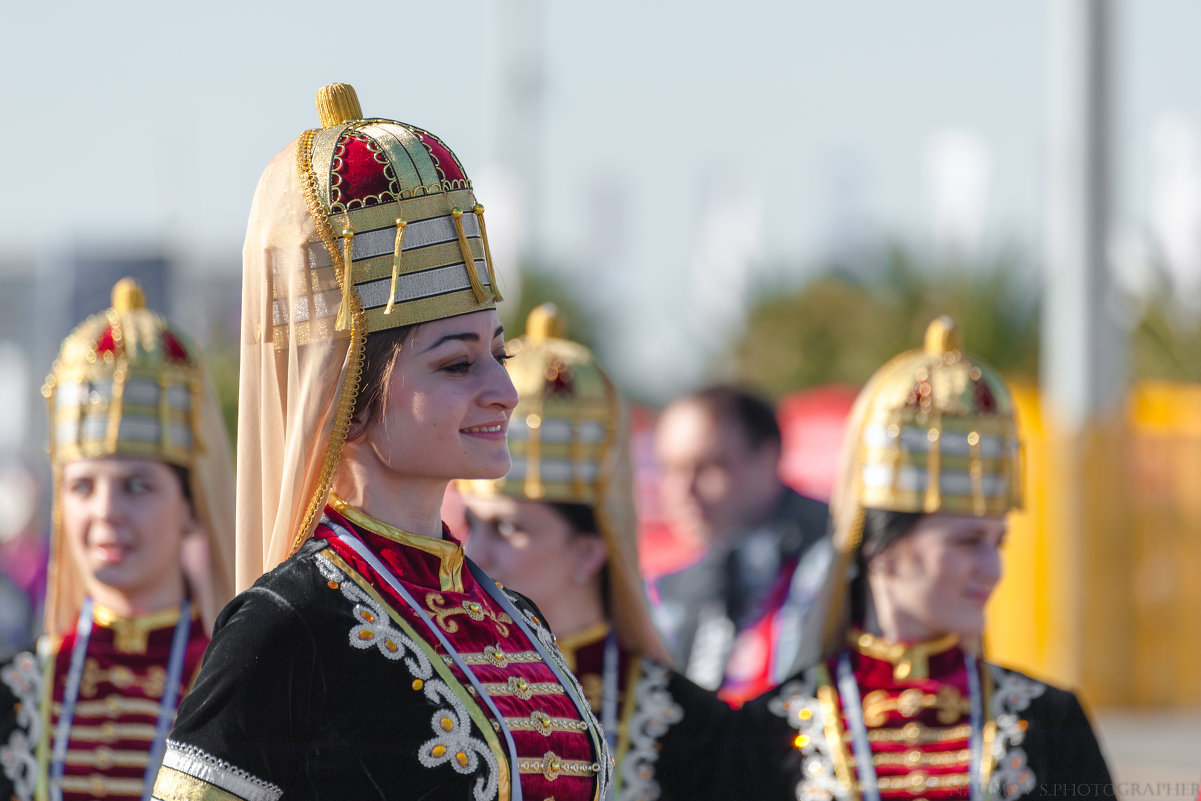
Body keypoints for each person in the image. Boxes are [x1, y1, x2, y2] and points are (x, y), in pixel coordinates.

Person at [152, 84, 611, 801]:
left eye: (500, 354)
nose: (501, 389)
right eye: (457, 363)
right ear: (348, 398)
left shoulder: (515, 616)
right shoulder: (285, 625)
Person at [728, 317, 1113, 800]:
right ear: (882, 549)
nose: (993, 570)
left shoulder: (1050, 722)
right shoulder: (772, 729)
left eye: (999, 543)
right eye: (967, 542)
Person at [459, 304, 733, 801]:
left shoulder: (694, 726)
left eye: (508, 529)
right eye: (471, 524)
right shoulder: (434, 685)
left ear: (588, 552)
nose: (476, 554)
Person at [0, 279, 236, 801]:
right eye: (82, 486)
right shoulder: (18, 689)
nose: (106, 512)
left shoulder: (239, 684)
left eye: (137, 485)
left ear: (191, 505)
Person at [652, 384, 830, 704]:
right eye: (670, 469)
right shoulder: (673, 586)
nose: (683, 490)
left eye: (708, 467)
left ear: (767, 458)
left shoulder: (840, 557)